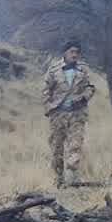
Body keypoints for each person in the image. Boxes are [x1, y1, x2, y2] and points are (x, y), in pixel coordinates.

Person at [42, 39, 95, 187]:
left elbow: (90, 88)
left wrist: (83, 97)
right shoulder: (53, 70)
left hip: (77, 114)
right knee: (56, 149)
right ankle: (59, 180)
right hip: (58, 115)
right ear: (65, 52)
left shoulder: (83, 70)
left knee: (75, 146)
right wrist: (49, 109)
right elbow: (46, 91)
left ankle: (72, 179)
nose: (75, 54)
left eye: (77, 52)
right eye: (72, 51)